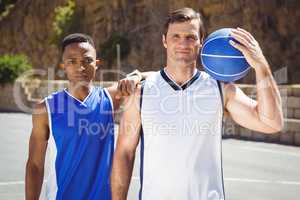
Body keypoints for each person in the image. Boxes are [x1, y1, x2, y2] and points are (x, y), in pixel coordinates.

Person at [111, 7, 283, 200]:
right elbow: (124, 153)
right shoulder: (142, 92)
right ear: (164, 41)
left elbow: (271, 122)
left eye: (191, 37)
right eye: (175, 36)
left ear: (202, 42)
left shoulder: (220, 89)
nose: (183, 43)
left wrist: (260, 65)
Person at [25, 33, 146, 200]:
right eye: (72, 61)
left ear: (96, 64)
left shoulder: (110, 99)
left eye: (87, 60)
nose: (80, 67)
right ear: (63, 66)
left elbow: (158, 75)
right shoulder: (45, 109)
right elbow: (35, 165)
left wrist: (136, 76)